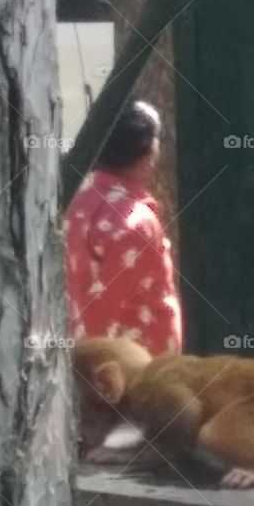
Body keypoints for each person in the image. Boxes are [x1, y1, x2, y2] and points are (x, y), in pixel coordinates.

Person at [66, 100, 182, 354]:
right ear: (148, 155)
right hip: (129, 368)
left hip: (83, 358)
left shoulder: (75, 200)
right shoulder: (137, 223)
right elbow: (102, 314)